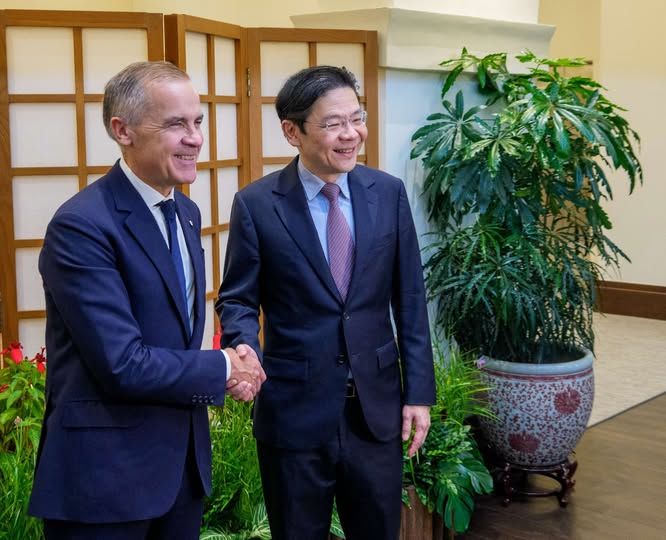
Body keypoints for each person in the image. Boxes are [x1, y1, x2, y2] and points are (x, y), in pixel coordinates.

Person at [28, 61, 265, 540]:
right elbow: (122, 362)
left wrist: (235, 361)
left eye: (198, 122)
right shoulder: (81, 226)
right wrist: (224, 368)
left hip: (179, 475)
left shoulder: (186, 211)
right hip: (103, 485)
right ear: (123, 130)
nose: (195, 138)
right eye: (176, 124)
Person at [216, 65, 436, 540]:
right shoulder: (257, 204)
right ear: (291, 131)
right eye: (334, 124)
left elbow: (411, 300)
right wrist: (241, 346)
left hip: (375, 412)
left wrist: (418, 392)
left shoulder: (388, 193)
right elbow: (236, 298)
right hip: (294, 411)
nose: (351, 134)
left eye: (357, 119)